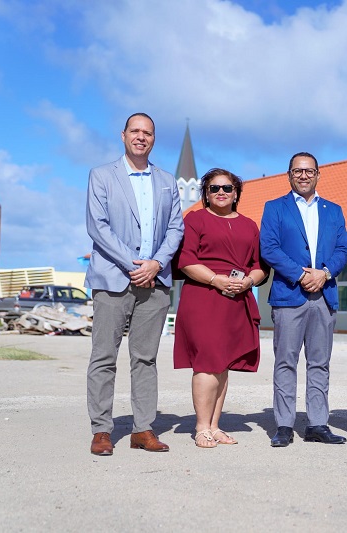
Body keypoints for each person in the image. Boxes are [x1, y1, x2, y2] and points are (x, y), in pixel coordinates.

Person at [85, 112, 184, 456]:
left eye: (148, 133)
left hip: (155, 282)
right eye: (136, 131)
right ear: (123, 135)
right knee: (104, 356)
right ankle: (101, 430)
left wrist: (156, 264)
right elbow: (98, 227)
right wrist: (134, 264)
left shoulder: (167, 181)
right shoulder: (101, 176)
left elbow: (176, 229)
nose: (141, 137)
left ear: (154, 139)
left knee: (146, 358)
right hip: (113, 280)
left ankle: (142, 428)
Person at [259, 152, 347, 447]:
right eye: (297, 171)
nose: (303, 175)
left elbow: (342, 250)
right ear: (289, 174)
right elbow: (269, 249)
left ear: (318, 174)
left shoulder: (334, 210)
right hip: (289, 295)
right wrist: (300, 275)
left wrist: (324, 274)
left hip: (324, 295)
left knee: (319, 363)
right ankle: (284, 425)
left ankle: (317, 424)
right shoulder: (275, 208)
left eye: (309, 171)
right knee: (286, 362)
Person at [173, 168, 267, 448]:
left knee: (223, 364)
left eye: (227, 188)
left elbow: (259, 266)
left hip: (237, 298)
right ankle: (201, 427)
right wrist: (216, 279)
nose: (221, 193)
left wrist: (248, 281)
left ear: (236, 192)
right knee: (207, 361)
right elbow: (186, 260)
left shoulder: (250, 225)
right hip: (204, 296)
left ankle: (214, 425)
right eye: (214, 188)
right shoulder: (195, 219)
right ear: (206, 193)